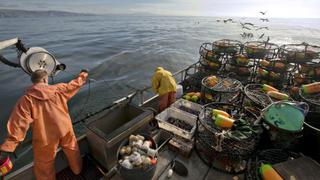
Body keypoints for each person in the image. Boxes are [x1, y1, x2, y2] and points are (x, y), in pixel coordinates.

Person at [0, 69, 88, 180]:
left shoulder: (26, 100)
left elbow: (19, 124)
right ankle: (77, 171)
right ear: (45, 79)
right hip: (65, 129)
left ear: (34, 81)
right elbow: (73, 85)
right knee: (73, 150)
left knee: (44, 163)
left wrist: (8, 146)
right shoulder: (58, 89)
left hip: (45, 136)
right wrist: (83, 75)